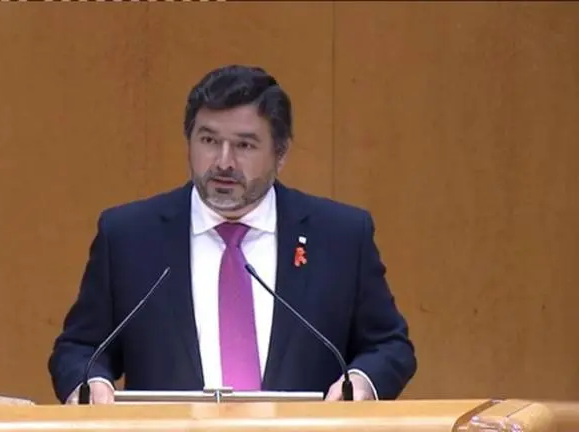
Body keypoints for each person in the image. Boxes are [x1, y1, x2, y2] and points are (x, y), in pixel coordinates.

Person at [48, 64, 417, 404]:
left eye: (244, 145)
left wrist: (361, 382)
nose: (223, 162)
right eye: (209, 141)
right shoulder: (130, 236)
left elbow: (389, 345)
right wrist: (91, 381)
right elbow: (79, 348)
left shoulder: (339, 236)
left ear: (281, 153)